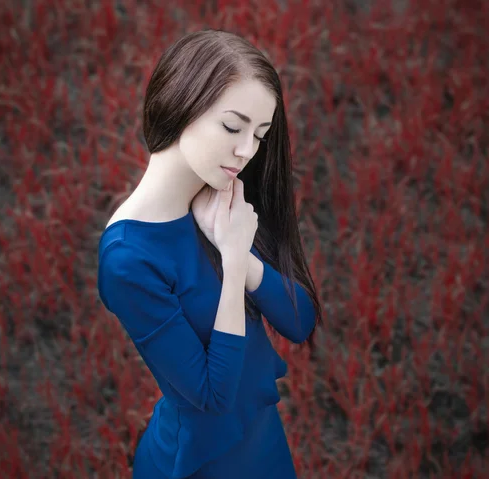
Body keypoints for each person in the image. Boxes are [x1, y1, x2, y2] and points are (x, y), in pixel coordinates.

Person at [97, 29, 323, 479]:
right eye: (232, 126)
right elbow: (213, 395)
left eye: (259, 134)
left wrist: (245, 258)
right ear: (182, 103)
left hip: (264, 445)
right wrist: (235, 260)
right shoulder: (127, 260)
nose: (246, 151)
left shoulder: (223, 199)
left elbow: (300, 323)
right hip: (200, 464)